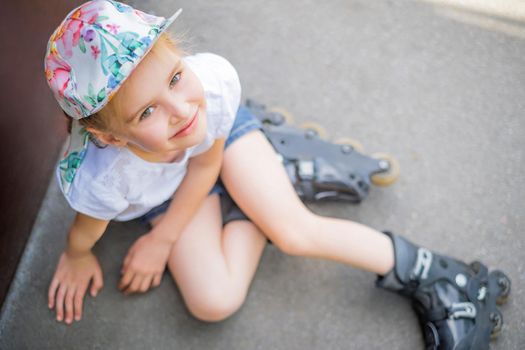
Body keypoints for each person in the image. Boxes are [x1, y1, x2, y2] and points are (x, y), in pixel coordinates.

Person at [44, 1, 510, 348]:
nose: (182, 109)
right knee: (214, 301)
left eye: (175, 78)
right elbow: (85, 234)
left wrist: (164, 240)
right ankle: (274, 172)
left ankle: (446, 278)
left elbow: (207, 157)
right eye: (147, 111)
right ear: (111, 137)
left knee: (294, 233)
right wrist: (78, 256)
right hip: (173, 189)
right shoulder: (103, 181)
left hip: (219, 146)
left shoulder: (208, 96)